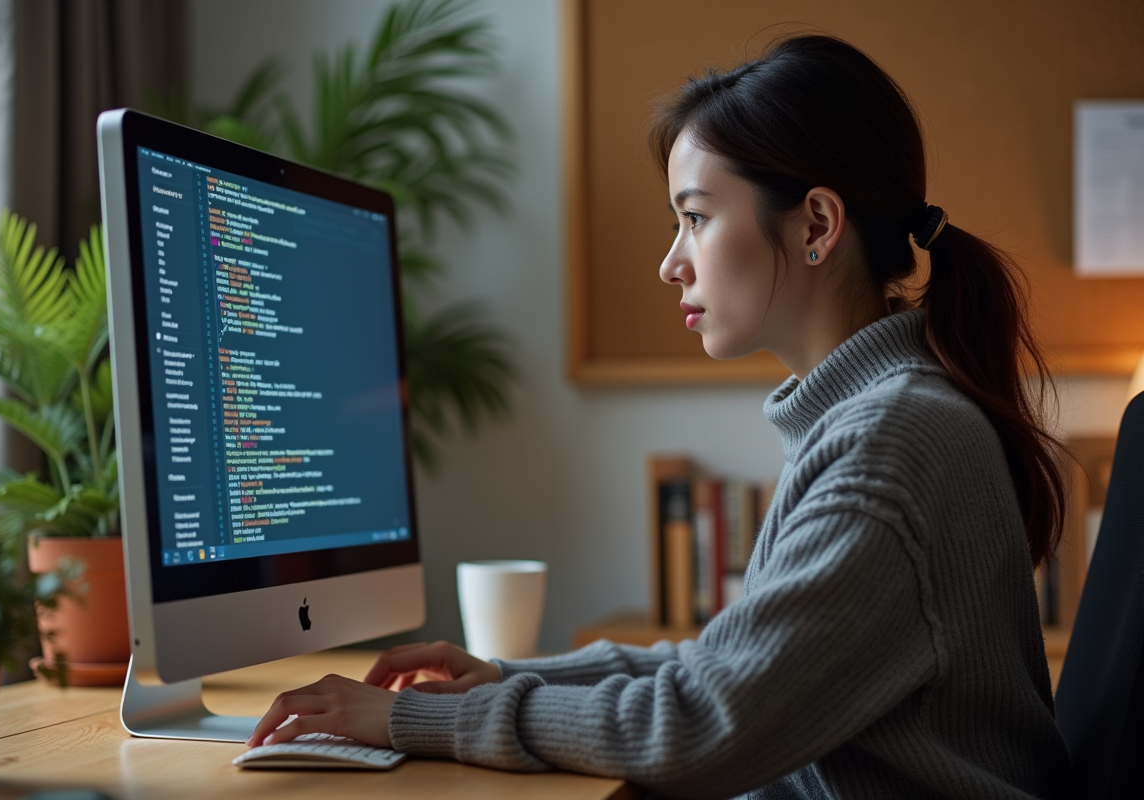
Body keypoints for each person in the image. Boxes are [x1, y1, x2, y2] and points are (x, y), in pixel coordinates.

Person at [246, 34, 1070, 799]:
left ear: (817, 224)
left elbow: (698, 726)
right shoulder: (879, 418)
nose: (671, 262)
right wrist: (502, 676)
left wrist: (408, 720)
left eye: (696, 217)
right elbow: (723, 670)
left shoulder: (891, 445)